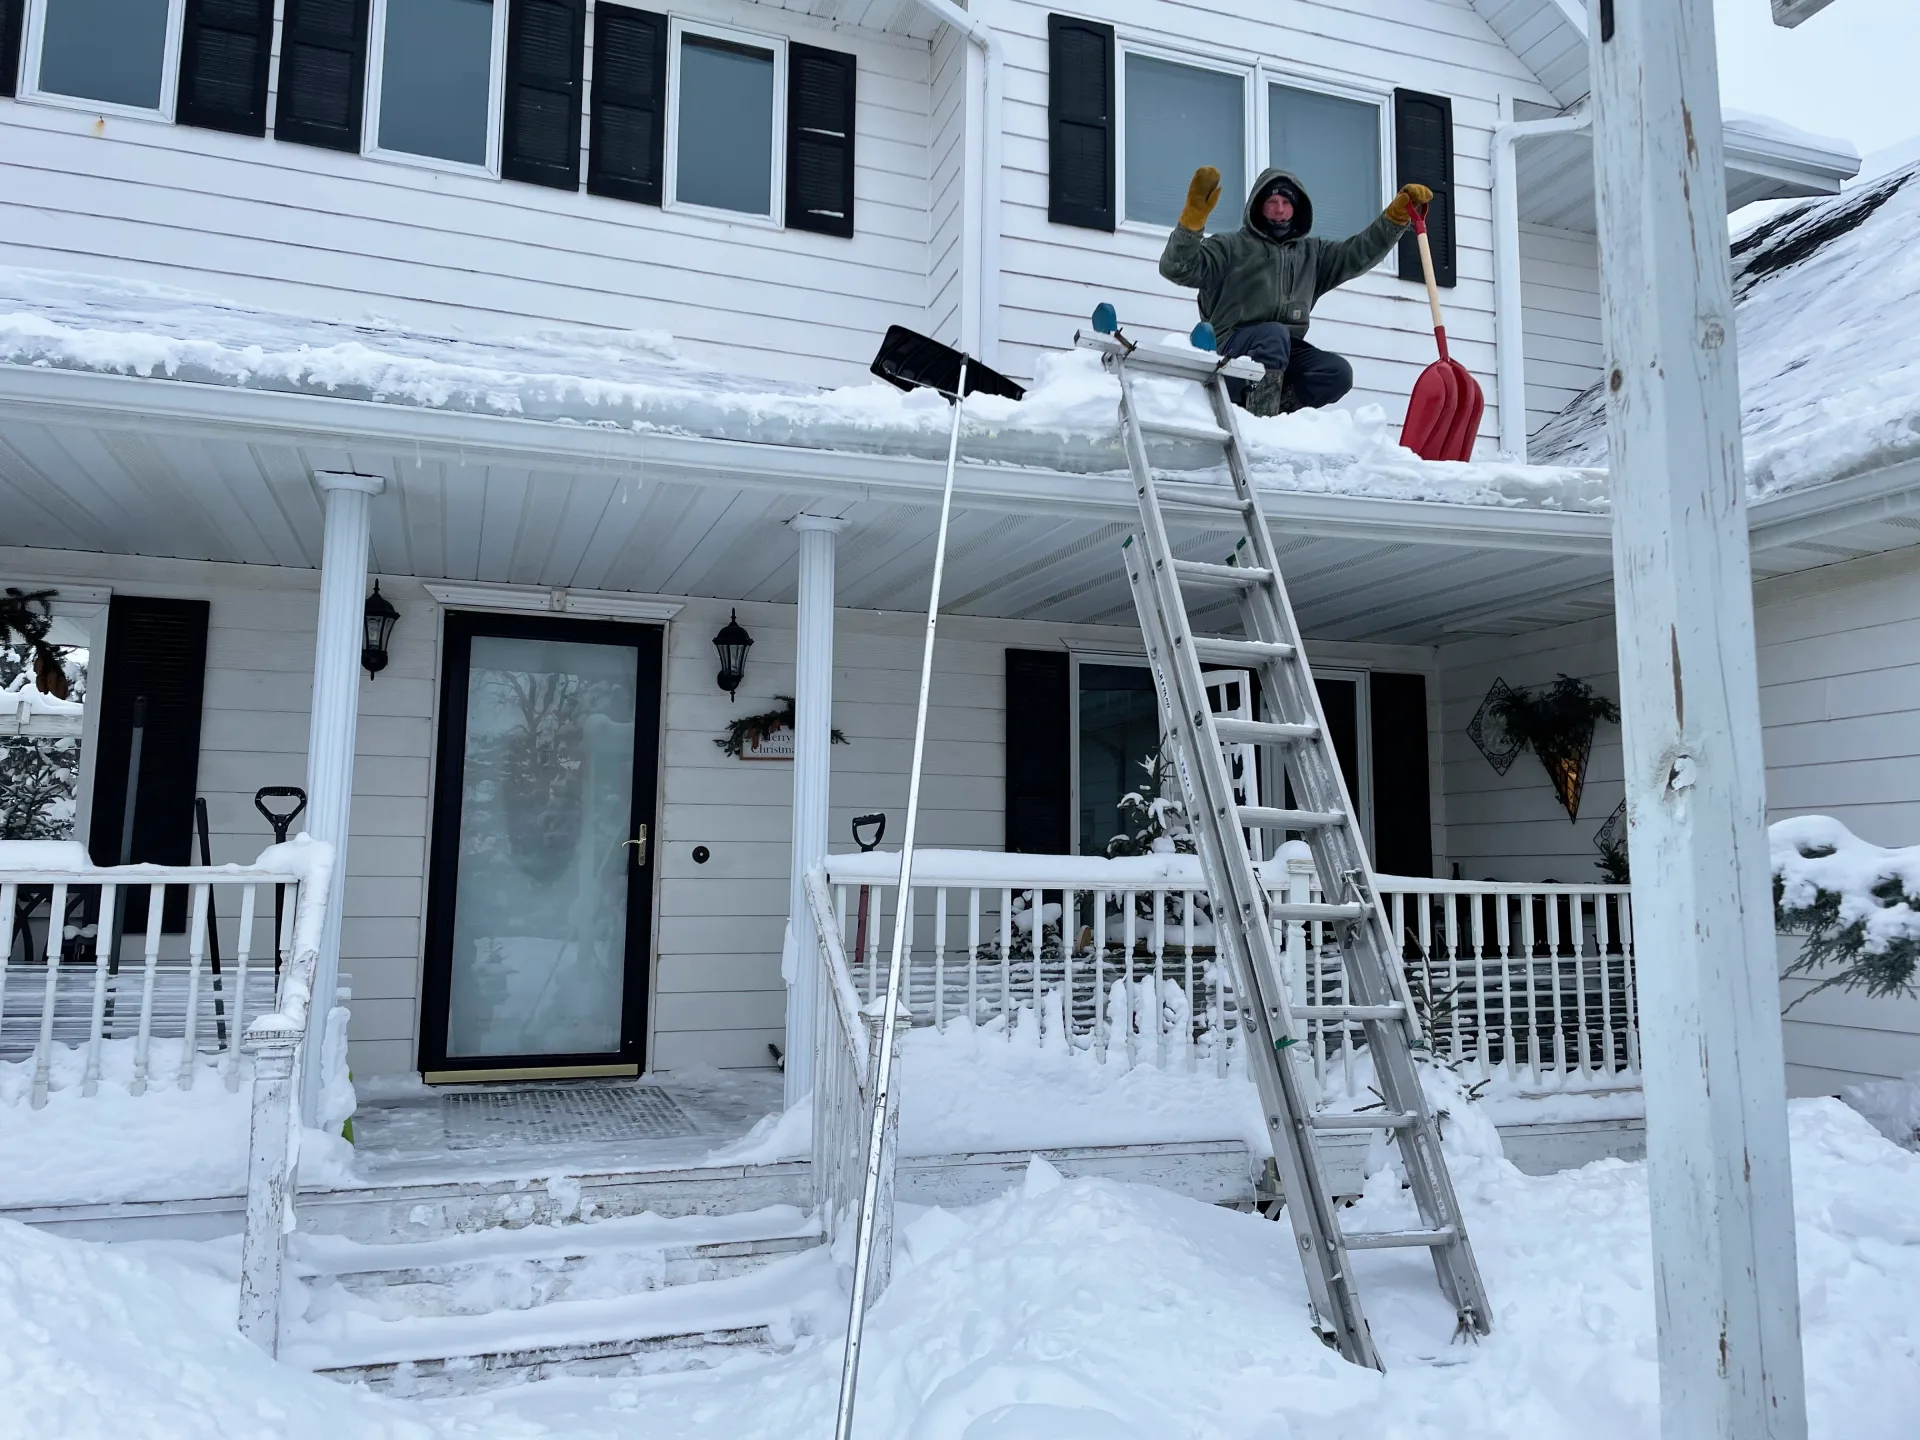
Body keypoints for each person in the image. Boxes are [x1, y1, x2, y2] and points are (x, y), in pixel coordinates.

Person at [1160, 167, 1433, 415]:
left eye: (1286, 202)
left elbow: (1359, 252)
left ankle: (1276, 409)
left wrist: (1394, 220)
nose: (1279, 209)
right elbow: (1176, 267)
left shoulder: (1313, 255)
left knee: (1336, 373)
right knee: (1274, 334)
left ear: (1296, 208)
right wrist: (1191, 223)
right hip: (1229, 350)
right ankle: (1261, 421)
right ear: (1258, 207)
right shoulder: (1230, 247)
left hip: (1280, 354)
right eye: (1271, 202)